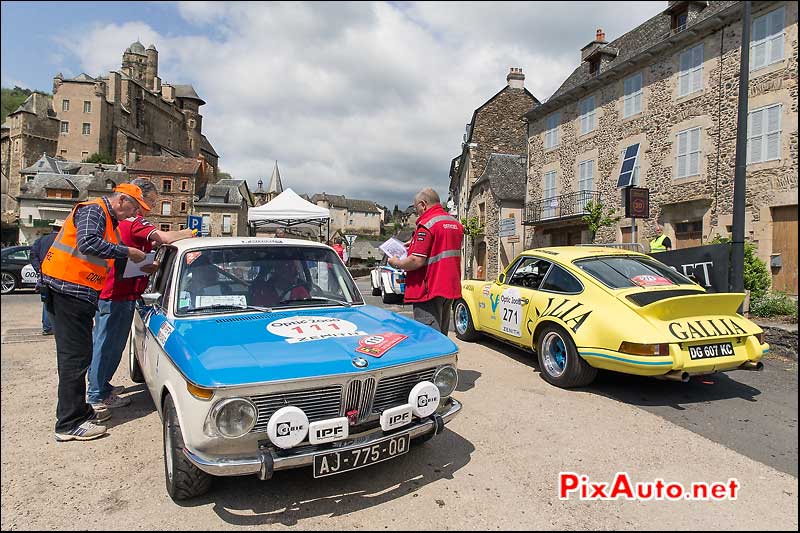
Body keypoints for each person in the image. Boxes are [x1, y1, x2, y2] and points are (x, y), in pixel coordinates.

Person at [40, 183, 149, 442]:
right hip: (68, 291)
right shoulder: (95, 210)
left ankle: (80, 411)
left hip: (74, 293)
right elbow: (88, 243)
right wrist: (128, 251)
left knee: (80, 355)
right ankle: (68, 423)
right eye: (132, 208)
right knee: (74, 359)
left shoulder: (107, 221)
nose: (132, 214)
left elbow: (110, 256)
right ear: (121, 200)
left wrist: (144, 264)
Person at [87, 178, 195, 413]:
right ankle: (96, 394)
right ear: (138, 198)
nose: (150, 209)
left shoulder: (122, 222)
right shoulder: (135, 222)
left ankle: (101, 387)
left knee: (107, 343)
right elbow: (165, 239)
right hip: (117, 292)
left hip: (117, 290)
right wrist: (191, 231)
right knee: (108, 344)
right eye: (150, 203)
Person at [388, 188, 463, 335]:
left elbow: (416, 261)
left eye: (416, 209)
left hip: (429, 290)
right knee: (441, 335)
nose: (416, 213)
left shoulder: (427, 225)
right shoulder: (454, 223)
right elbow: (440, 246)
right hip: (448, 287)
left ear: (423, 204)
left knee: (428, 338)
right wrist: (415, 242)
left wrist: (396, 262)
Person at [29, 221, 62, 335]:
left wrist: (39, 270)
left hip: (44, 275)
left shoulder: (41, 240)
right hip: (60, 274)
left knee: (47, 300)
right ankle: (56, 327)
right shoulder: (64, 240)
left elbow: (33, 256)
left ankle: (47, 327)